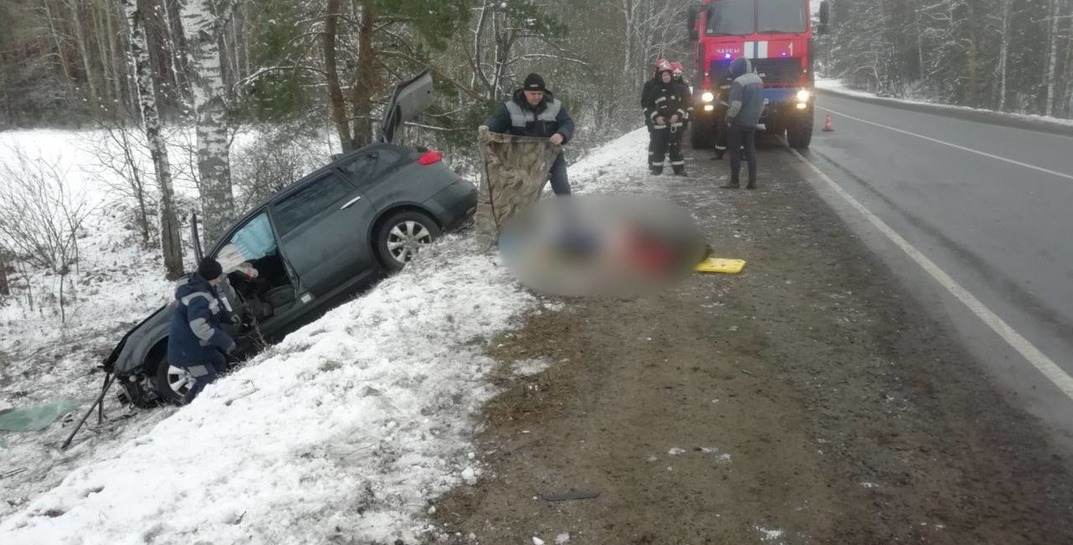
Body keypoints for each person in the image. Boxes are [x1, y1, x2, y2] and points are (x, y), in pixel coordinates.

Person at [485, 73, 576, 195]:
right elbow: (493, 126)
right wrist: (485, 130)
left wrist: (562, 134)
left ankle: (569, 214)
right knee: (522, 195)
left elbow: (568, 123)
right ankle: (527, 214)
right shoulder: (509, 108)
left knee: (563, 189)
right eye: (533, 94)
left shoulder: (555, 106)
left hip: (552, 155)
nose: (537, 97)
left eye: (540, 93)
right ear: (524, 91)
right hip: (522, 160)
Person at [166, 257, 237, 403]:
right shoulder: (198, 296)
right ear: (210, 277)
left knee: (219, 362)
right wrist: (225, 341)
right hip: (188, 353)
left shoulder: (204, 288)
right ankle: (200, 406)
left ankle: (188, 399)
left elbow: (212, 310)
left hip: (197, 347)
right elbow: (199, 327)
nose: (219, 280)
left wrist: (228, 319)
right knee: (208, 380)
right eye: (217, 277)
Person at [721, 57, 764, 189]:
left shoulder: (738, 82)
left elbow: (736, 104)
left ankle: (734, 181)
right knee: (750, 151)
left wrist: (728, 118)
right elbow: (761, 103)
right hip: (752, 122)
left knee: (734, 152)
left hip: (738, 122)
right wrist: (756, 118)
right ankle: (752, 182)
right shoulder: (759, 81)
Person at [642, 60, 689, 175]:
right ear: (660, 76)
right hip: (660, 125)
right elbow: (649, 106)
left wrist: (677, 115)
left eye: (667, 74)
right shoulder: (655, 90)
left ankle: (679, 170)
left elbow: (685, 104)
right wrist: (656, 117)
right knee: (658, 147)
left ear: (671, 75)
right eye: (663, 75)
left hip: (675, 124)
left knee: (675, 147)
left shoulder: (679, 88)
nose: (666, 77)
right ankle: (657, 170)